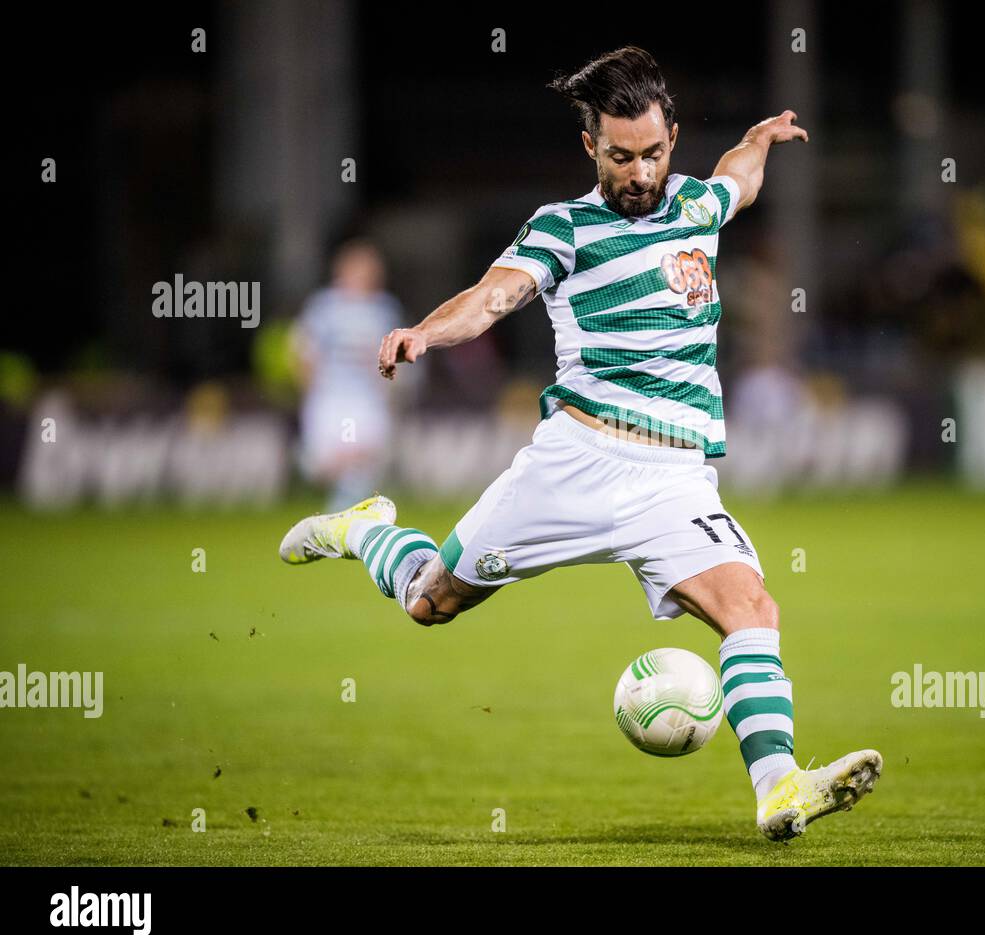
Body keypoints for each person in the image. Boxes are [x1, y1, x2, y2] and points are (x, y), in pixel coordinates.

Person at [278, 47, 881, 841]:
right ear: (590, 147)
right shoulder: (564, 228)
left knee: (751, 608)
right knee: (432, 601)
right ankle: (363, 528)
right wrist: (426, 332)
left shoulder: (696, 206)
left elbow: (739, 178)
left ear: (673, 139)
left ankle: (780, 788)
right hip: (573, 465)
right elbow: (495, 295)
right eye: (621, 156)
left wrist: (762, 139)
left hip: (673, 480)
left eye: (655, 153)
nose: (640, 172)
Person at [293, 240, 402, 512]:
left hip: (366, 398)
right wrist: (310, 389)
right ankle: (316, 472)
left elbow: (398, 356)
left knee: (364, 453)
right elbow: (305, 350)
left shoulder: (385, 308)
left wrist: (389, 388)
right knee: (323, 463)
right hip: (332, 395)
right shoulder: (324, 306)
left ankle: (344, 511)